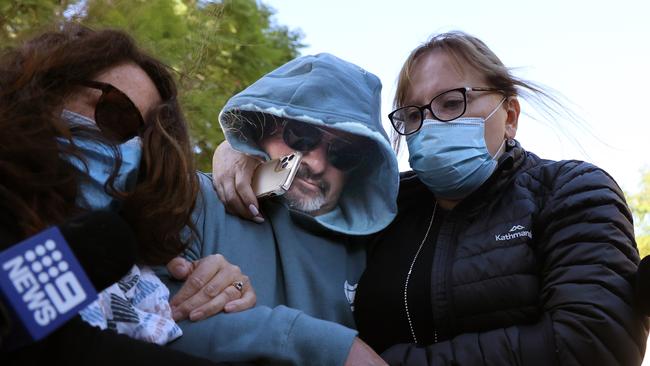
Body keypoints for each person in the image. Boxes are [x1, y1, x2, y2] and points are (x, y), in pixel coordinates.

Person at [211, 31, 649, 365]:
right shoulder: (385, 208)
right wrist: (241, 151)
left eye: (451, 103)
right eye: (414, 114)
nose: (430, 126)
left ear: (509, 116)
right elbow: (308, 188)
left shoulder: (570, 190)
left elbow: (593, 340)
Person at [0, 24, 252, 365]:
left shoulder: (142, 278)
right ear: (46, 90)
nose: (131, 148)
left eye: (148, 140)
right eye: (116, 113)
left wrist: (220, 292)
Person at [158, 53, 398, 365]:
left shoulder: (376, 250)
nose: (316, 163)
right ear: (265, 125)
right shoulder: (193, 199)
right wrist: (323, 346)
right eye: (302, 136)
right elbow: (140, 320)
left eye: (345, 154)